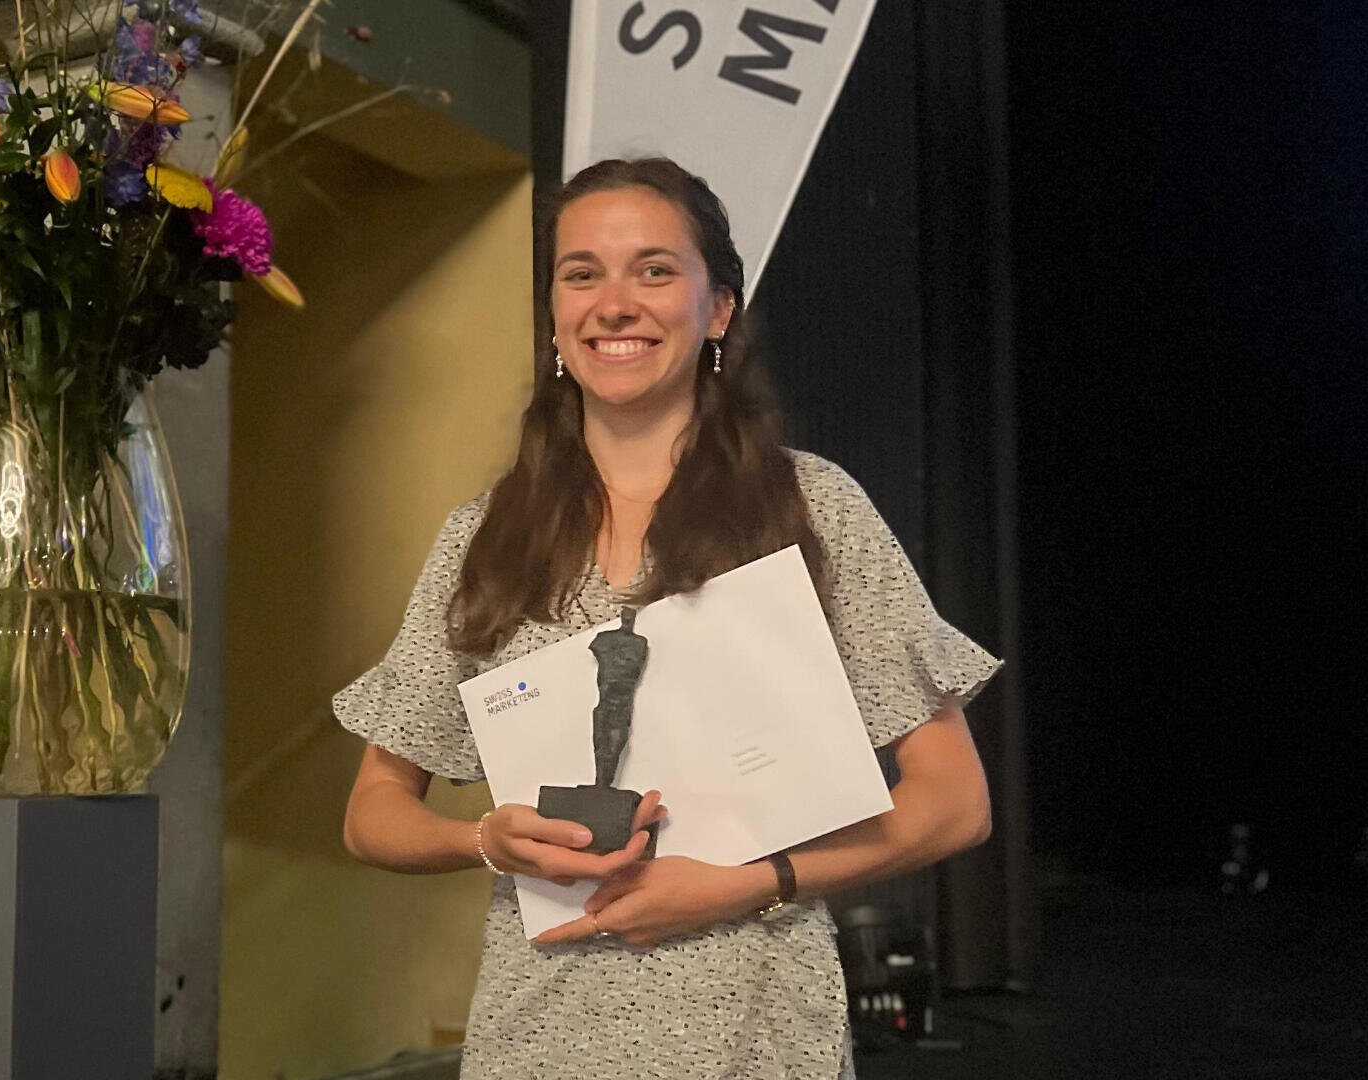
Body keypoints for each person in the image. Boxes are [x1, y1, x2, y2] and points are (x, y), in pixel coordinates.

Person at [335, 156, 1002, 1079]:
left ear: (718, 308)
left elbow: (954, 803)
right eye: (582, 274)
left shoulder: (811, 510)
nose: (615, 302)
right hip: (536, 1044)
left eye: (655, 270)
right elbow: (374, 813)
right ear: (556, 317)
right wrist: (481, 839)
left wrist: (749, 885)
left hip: (759, 1042)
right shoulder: (483, 537)